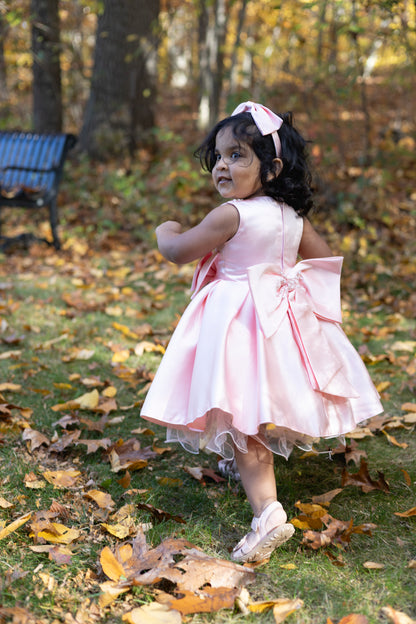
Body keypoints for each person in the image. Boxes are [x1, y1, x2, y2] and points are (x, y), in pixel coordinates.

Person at [140, 101, 383, 563]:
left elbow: (177, 250)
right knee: (264, 396)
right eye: (219, 157)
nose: (223, 166)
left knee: (244, 415)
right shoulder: (293, 218)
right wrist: (289, 282)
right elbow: (324, 258)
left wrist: (164, 229)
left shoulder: (230, 215)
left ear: (271, 168)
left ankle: (267, 513)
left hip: (239, 323)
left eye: (238, 156)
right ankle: (241, 465)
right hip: (279, 318)